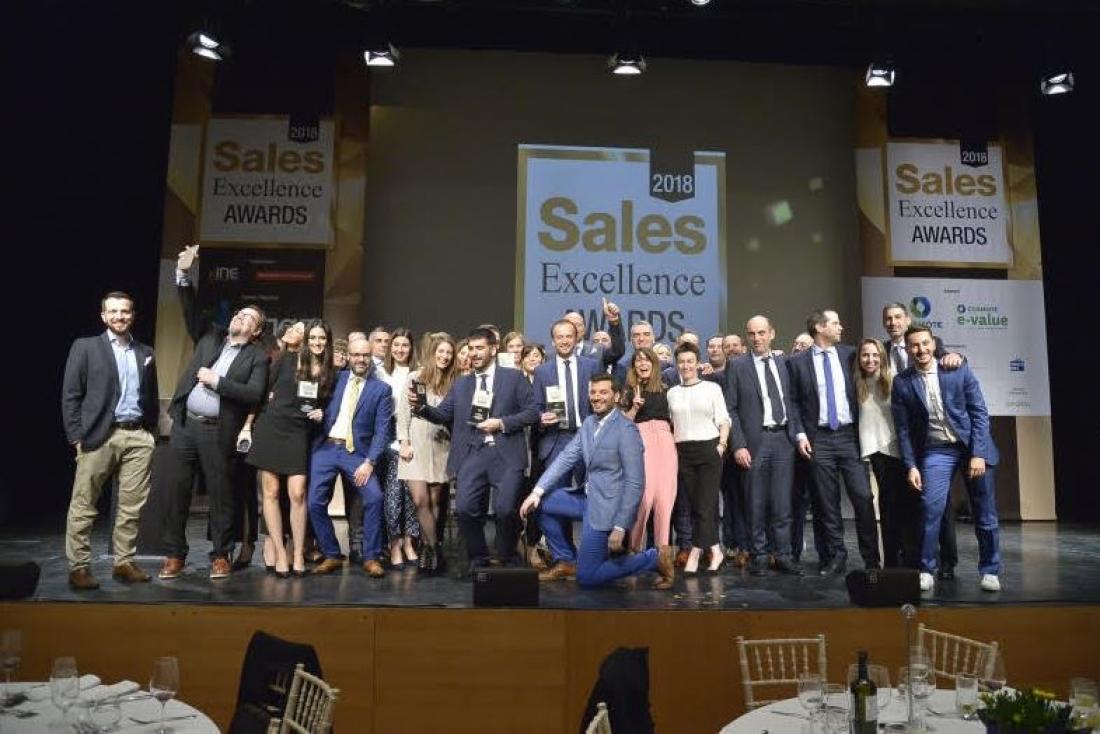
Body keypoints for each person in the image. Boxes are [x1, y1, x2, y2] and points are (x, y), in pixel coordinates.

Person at [160, 245, 269, 581]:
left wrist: (217, 382)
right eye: (239, 314)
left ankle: (221, 555)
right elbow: (190, 309)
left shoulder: (256, 357)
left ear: (256, 331)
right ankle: (174, 555)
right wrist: (183, 273)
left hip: (217, 430)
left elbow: (253, 393)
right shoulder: (210, 336)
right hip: (186, 426)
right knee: (177, 492)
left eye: (249, 318)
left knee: (222, 496)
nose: (240, 317)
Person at [519, 374, 675, 589]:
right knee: (541, 504)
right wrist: (536, 491)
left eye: (603, 392)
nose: (596, 397)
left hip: (607, 510)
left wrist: (620, 526)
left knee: (588, 578)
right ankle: (566, 561)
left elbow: (635, 482)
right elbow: (566, 457)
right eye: (593, 392)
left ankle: (652, 558)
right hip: (586, 498)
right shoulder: (589, 423)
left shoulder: (626, 430)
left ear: (616, 396)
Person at [410, 327, 539, 572]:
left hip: (506, 454)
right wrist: (422, 407)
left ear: (493, 349)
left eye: (480, 348)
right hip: (472, 454)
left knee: (505, 510)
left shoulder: (513, 378)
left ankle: (505, 555)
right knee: (465, 509)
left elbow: (533, 412)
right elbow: (443, 414)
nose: (474, 353)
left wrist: (502, 423)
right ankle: (478, 558)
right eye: (471, 348)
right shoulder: (462, 383)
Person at [891, 325, 1002, 593]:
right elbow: (903, 430)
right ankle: (926, 569)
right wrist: (911, 465)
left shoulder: (956, 369)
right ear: (908, 350)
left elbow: (979, 414)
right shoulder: (902, 382)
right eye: (914, 345)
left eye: (925, 343)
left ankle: (990, 570)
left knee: (985, 513)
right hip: (937, 450)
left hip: (971, 447)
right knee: (930, 509)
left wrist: (978, 453)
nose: (921, 349)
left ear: (934, 344)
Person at [61, 291, 159, 589]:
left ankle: (123, 563)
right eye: (113, 311)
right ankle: (79, 567)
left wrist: (150, 433)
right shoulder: (86, 347)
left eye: (125, 311)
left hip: (137, 435)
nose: (119, 316)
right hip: (98, 435)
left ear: (133, 315)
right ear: (103, 316)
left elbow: (151, 395)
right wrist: (76, 436)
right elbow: (71, 395)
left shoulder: (145, 352)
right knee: (84, 504)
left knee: (131, 506)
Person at [787, 309, 881, 575]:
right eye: (835, 323)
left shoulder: (851, 355)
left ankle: (871, 559)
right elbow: (793, 402)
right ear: (819, 327)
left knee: (863, 497)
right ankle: (836, 556)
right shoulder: (797, 362)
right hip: (818, 439)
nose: (841, 327)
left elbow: (880, 359)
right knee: (826, 502)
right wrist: (800, 435)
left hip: (850, 437)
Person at [246, 320, 335, 577]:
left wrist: (322, 413)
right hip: (271, 427)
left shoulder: (330, 371)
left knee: (297, 493)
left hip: (298, 433)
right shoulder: (286, 360)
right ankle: (279, 552)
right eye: (313, 337)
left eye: (322, 338)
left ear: (327, 342)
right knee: (271, 492)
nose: (317, 342)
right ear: (306, 340)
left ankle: (297, 554)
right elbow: (261, 393)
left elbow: (328, 405)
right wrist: (248, 425)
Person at [881, 301, 963, 580]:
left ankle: (947, 561)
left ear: (907, 320)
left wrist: (959, 356)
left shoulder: (929, 344)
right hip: (896, 436)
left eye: (897, 317)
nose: (893, 322)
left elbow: (953, 362)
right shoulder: (880, 350)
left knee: (939, 504)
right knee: (904, 502)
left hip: (930, 440)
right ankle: (909, 558)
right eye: (888, 319)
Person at [725, 316, 804, 576]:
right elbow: (730, 409)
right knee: (755, 503)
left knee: (782, 504)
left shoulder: (785, 363)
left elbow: (793, 402)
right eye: (752, 334)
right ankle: (758, 554)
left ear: (772, 333)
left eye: (761, 333)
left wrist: (797, 436)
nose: (757, 338)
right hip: (754, 441)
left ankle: (783, 554)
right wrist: (738, 445)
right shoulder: (737, 366)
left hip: (783, 440)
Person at [308, 334, 393, 578]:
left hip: (356, 454)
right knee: (314, 502)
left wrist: (370, 462)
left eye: (365, 355)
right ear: (349, 356)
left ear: (371, 358)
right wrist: (319, 414)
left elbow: (382, 430)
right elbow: (314, 399)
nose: (361, 359)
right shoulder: (335, 379)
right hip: (326, 448)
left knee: (375, 498)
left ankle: (371, 556)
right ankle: (332, 553)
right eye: (356, 355)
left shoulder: (381, 389)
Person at [528, 319, 606, 580]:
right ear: (553, 341)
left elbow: (603, 399)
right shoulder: (542, 371)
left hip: (588, 437)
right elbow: (536, 407)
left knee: (594, 499)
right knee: (549, 502)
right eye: (559, 337)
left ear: (576, 339)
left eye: (568, 336)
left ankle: (593, 555)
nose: (564, 341)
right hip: (556, 440)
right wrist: (541, 418)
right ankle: (565, 558)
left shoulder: (591, 365)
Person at [853, 338, 919, 569]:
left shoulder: (895, 381)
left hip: (900, 450)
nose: (870, 360)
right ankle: (891, 559)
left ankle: (910, 558)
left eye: (875, 355)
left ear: (882, 357)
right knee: (888, 506)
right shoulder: (856, 384)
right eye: (865, 355)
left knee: (906, 505)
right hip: (876, 452)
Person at [667, 343, 731, 575]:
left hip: (709, 449)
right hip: (683, 452)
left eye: (690, 361)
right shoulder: (672, 393)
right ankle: (715, 549)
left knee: (705, 505)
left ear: (697, 363)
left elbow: (724, 419)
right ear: (677, 364)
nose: (685, 366)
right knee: (697, 506)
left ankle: (695, 552)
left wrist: (721, 445)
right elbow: (671, 423)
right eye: (681, 362)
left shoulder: (712, 388)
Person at [397, 334, 457, 574]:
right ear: (432, 354)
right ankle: (435, 548)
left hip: (441, 444)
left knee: (434, 502)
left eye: (449, 353)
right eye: (441, 352)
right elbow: (403, 412)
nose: (445, 356)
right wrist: (404, 442)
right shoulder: (415, 377)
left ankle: (426, 550)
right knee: (420, 500)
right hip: (416, 443)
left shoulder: (454, 382)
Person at [620, 348, 677, 577]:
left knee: (664, 499)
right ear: (633, 366)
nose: (642, 364)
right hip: (640, 440)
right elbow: (621, 424)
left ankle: (663, 557)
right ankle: (634, 552)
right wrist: (634, 407)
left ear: (654, 363)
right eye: (638, 360)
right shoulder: (628, 389)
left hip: (666, 441)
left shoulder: (666, 387)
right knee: (644, 498)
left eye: (646, 360)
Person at [379, 328, 421, 568]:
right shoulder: (380, 373)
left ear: (411, 348)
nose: (400, 349)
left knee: (411, 494)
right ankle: (394, 544)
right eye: (396, 345)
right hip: (387, 437)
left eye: (405, 345)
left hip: (413, 436)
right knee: (393, 493)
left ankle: (409, 542)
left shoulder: (419, 373)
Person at [563, 299, 625, 369]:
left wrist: (614, 322)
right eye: (570, 324)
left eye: (578, 325)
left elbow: (617, 351)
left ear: (584, 329)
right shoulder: (553, 354)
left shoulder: (599, 352)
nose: (574, 328)